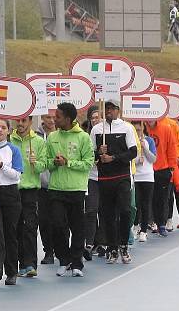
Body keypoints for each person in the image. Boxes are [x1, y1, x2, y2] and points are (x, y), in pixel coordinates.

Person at [47, 103, 94, 277]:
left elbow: (89, 163)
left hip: (76, 189)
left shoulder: (83, 138)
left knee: (77, 227)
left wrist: (68, 162)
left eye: (58, 117)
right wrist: (53, 162)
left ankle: (76, 262)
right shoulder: (52, 137)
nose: (54, 119)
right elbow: (47, 161)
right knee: (58, 225)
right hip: (56, 189)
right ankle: (64, 259)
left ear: (67, 119)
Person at [90, 100, 137, 264]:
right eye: (107, 108)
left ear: (118, 110)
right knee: (107, 215)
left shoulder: (126, 128)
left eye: (112, 108)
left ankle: (123, 244)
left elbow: (133, 152)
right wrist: (98, 152)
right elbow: (90, 156)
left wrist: (114, 158)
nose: (109, 111)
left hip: (122, 177)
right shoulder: (97, 130)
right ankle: (112, 247)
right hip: (104, 179)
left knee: (125, 211)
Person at [0, 119, 23, 287]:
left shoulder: (13, 150)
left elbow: (17, 175)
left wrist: (0, 165)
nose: (0, 130)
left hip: (10, 193)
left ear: (9, 131)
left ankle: (11, 271)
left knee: (10, 233)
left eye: (3, 127)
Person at [10, 116, 47, 277]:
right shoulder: (9, 140)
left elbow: (44, 165)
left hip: (30, 189)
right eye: (18, 121)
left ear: (30, 122)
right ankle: (20, 263)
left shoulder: (38, 141)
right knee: (15, 228)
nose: (20, 124)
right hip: (12, 189)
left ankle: (31, 264)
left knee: (30, 226)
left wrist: (36, 163)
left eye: (24, 121)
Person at [146, 118, 178, 237]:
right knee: (149, 199)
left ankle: (162, 224)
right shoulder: (142, 128)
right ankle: (150, 222)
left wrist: (171, 167)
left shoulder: (166, 128)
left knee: (163, 198)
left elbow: (172, 148)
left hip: (163, 169)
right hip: (147, 169)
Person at [82, 106, 103, 259]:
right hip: (91, 177)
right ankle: (89, 242)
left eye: (98, 117)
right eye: (93, 117)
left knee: (104, 210)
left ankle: (101, 242)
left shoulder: (109, 133)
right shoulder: (85, 136)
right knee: (91, 210)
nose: (96, 120)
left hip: (106, 178)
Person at [37, 113, 57, 264]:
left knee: (60, 220)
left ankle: (62, 249)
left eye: (54, 117)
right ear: (42, 118)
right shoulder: (37, 137)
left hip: (59, 185)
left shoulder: (61, 135)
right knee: (44, 220)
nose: (51, 121)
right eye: (48, 117)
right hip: (42, 186)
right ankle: (48, 251)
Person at [134, 122, 156, 242]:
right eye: (135, 130)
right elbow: (130, 158)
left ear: (143, 129)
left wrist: (145, 148)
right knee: (135, 203)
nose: (137, 132)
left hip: (147, 177)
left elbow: (153, 159)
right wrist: (137, 160)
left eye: (139, 130)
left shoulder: (149, 141)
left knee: (146, 203)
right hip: (135, 176)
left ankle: (143, 231)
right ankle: (135, 226)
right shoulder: (131, 141)